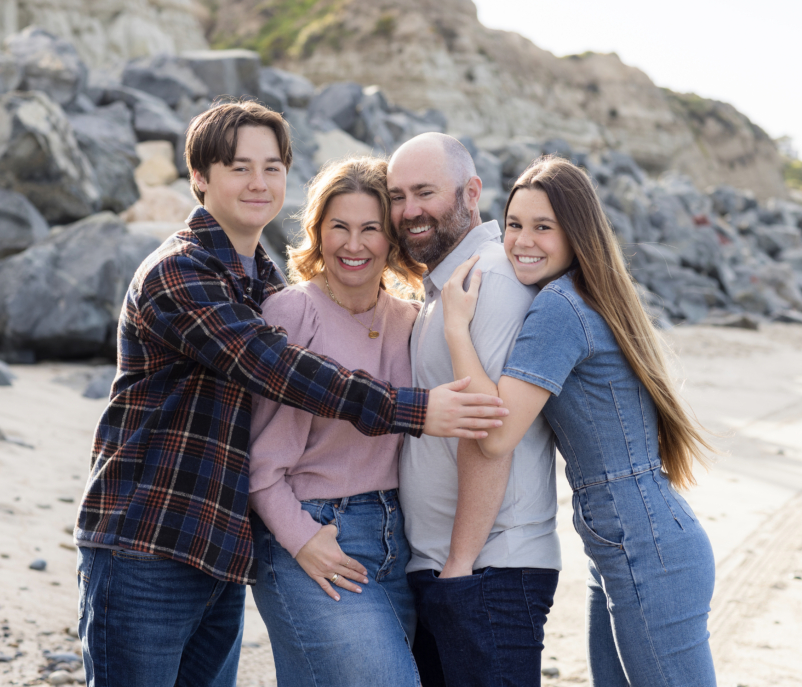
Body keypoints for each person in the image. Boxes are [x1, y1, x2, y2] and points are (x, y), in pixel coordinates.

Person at [74, 102, 508, 687]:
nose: (259, 182)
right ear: (200, 177)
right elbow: (278, 369)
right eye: (239, 167)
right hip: (146, 541)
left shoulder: (261, 279)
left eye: (272, 167)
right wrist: (416, 411)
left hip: (218, 548)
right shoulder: (179, 273)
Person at [441, 156, 717, 687]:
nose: (523, 240)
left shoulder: (560, 310)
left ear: (576, 233)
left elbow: (497, 436)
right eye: (515, 224)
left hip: (645, 549)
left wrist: (456, 329)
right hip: (628, 543)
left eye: (543, 227)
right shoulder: (588, 295)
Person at [388, 133, 562, 687]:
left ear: (471, 192)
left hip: (487, 572)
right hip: (451, 569)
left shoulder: (493, 278)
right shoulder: (445, 289)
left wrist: (459, 569)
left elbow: (487, 429)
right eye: (396, 196)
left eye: (424, 192)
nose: (409, 211)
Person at [247, 156, 424, 686]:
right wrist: (302, 538)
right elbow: (261, 464)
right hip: (315, 532)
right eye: (339, 227)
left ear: (391, 238)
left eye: (370, 228)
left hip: (399, 540)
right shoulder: (289, 313)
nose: (354, 245)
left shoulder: (411, 321)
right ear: (317, 232)